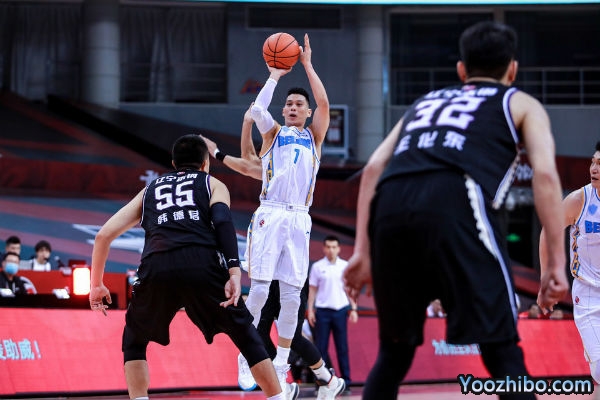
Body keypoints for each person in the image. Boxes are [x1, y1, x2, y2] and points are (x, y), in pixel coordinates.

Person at [343, 21, 568, 400]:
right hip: (456, 198)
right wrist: (556, 265)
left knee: (394, 353)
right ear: (513, 69)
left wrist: (362, 252)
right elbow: (544, 175)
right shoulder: (520, 102)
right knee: (501, 351)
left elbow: (373, 169)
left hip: (391, 206)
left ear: (462, 70)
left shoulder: (425, 102)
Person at [88, 134, 291, 400]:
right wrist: (234, 271)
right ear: (206, 163)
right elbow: (222, 222)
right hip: (202, 264)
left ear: (174, 163)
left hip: (157, 266)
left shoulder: (150, 189)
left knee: (134, 341)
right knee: (246, 335)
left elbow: (103, 236)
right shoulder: (212, 183)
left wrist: (96, 285)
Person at [201, 105, 346, 400]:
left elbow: (246, 161)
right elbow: (247, 162)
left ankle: (323, 379)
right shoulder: (272, 170)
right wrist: (241, 129)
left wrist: (220, 150)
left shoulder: (294, 165)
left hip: (290, 250)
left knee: (285, 332)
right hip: (276, 246)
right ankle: (301, 380)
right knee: (267, 325)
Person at [232, 32, 330, 395]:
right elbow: (258, 111)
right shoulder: (273, 134)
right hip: (270, 215)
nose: (291, 107)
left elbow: (324, 102)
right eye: (288, 103)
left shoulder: (314, 138)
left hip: (300, 218)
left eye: (298, 104)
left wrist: (307, 65)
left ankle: (281, 362)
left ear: (307, 112)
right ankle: (246, 354)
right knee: (258, 291)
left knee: (291, 297)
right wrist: (274, 75)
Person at [539, 141, 600, 383]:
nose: (594, 169)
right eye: (593, 162)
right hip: (588, 295)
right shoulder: (579, 200)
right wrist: (546, 279)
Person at [307, 235, 357, 387]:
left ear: (339, 249)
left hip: (340, 311)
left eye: (334, 247)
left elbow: (350, 289)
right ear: (324, 248)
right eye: (328, 247)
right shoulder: (317, 267)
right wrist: (310, 310)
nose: (331, 250)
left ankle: (346, 381)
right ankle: (321, 381)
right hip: (322, 312)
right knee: (321, 348)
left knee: (342, 347)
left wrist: (354, 308)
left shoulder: (345, 266)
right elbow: (312, 289)